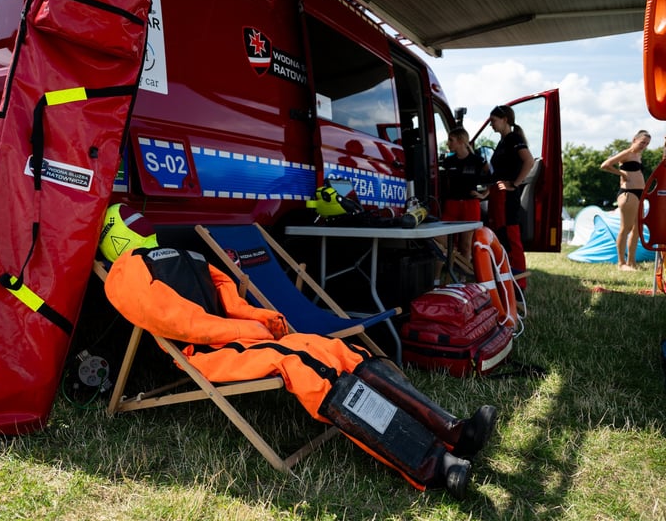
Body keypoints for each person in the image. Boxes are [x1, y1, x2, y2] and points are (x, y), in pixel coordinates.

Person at [100, 203, 498, 500]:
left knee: (346, 353)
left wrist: (264, 320)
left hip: (242, 336)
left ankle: (453, 430)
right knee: (310, 368)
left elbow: (231, 298)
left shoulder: (185, 255)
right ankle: (433, 466)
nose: (139, 222)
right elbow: (181, 323)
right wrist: (248, 329)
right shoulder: (126, 272)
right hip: (208, 351)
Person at [488, 105, 534, 288]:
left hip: (507, 199)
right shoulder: (503, 141)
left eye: (493, 121)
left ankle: (519, 285)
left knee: (511, 240)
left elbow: (529, 161)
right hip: (497, 197)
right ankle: (504, 280)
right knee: (500, 239)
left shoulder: (514, 138)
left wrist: (514, 184)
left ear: (505, 119)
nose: (491, 125)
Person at [434, 127, 489, 282]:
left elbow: (494, 177)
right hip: (451, 205)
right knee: (441, 243)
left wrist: (483, 194)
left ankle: (462, 281)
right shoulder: (448, 161)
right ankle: (436, 281)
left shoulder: (477, 160)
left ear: (461, 141)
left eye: (451, 140)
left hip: (470, 205)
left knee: (465, 245)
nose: (448, 143)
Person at [599, 130, 651, 270]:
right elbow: (605, 165)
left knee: (637, 229)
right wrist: (621, 173)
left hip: (639, 194)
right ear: (634, 139)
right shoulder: (626, 153)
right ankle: (621, 263)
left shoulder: (638, 156)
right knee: (626, 228)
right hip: (628, 194)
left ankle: (631, 262)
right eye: (642, 142)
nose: (644, 146)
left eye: (646, 144)